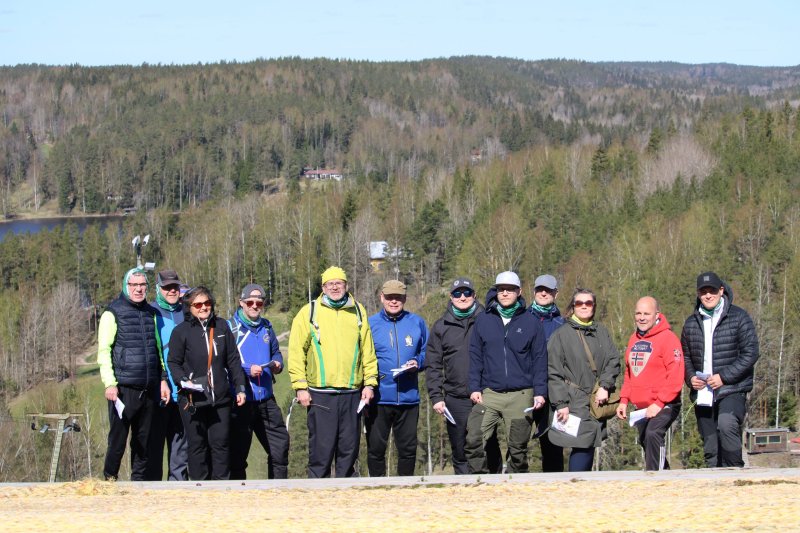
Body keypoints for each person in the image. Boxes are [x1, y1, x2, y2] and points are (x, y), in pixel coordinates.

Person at [288, 266, 379, 478]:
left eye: (339, 283)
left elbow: (367, 349)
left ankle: (346, 501)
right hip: (320, 394)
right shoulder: (309, 312)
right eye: (331, 284)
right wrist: (300, 387)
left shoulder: (358, 311)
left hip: (351, 393)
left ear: (346, 286)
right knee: (321, 451)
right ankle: (317, 501)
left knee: (349, 451)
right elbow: (295, 352)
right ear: (323, 287)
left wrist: (369, 383)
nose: (335, 287)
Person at [468, 271, 548, 474]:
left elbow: (539, 359)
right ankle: (480, 482)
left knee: (518, 449)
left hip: (521, 394)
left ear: (519, 292)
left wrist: (540, 391)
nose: (505, 293)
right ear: (495, 291)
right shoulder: (483, 320)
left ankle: (516, 485)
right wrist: (474, 387)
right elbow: (476, 355)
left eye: (510, 289)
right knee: (474, 438)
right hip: (489, 393)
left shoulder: (530, 322)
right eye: (501, 289)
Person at [98, 268, 170, 481]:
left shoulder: (152, 313)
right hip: (123, 390)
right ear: (126, 286)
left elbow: (157, 350)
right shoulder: (112, 312)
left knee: (143, 443)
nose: (139, 289)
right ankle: (109, 482)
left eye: (142, 285)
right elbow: (104, 351)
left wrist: (163, 380)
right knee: (118, 442)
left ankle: (138, 487)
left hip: (149, 389)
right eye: (134, 285)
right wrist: (109, 383)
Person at [168, 286, 247, 480]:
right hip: (193, 399)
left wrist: (240, 387)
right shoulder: (181, 332)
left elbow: (233, 360)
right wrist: (183, 380)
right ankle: (199, 487)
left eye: (207, 303)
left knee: (221, 444)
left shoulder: (221, 327)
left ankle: (221, 487)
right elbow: (173, 362)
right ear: (189, 307)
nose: (204, 308)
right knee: (197, 445)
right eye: (198, 304)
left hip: (220, 397)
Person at [681, 272, 759, 468]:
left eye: (712, 291)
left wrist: (724, 377)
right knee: (711, 447)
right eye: (703, 291)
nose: (708, 295)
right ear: (698, 294)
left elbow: (751, 353)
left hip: (732, 388)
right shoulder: (691, 323)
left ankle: (735, 474)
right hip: (703, 394)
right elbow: (686, 357)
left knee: (726, 425)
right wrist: (691, 378)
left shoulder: (739, 317)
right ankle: (713, 487)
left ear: (721, 290)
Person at [427, 277, 502, 475]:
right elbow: (433, 364)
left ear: (474, 296)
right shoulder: (441, 326)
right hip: (455, 398)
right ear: (451, 297)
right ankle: (464, 490)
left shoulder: (489, 320)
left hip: (486, 395)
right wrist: (436, 397)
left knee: (488, 445)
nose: (462, 297)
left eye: (467, 293)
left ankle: (493, 487)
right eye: (457, 293)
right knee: (459, 449)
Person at [548, 288, 620, 472]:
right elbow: (553, 372)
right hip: (573, 399)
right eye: (579, 303)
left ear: (594, 306)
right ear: (573, 306)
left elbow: (613, 359)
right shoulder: (561, 335)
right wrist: (561, 403)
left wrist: (605, 385)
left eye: (588, 303)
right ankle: (574, 487)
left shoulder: (601, 331)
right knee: (582, 444)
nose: (584, 306)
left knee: (588, 444)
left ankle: (580, 487)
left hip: (597, 399)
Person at [366, 280, 428, 477]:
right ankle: (377, 489)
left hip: (409, 398)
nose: (394, 302)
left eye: (398, 298)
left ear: (405, 299)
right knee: (376, 450)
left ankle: (406, 489)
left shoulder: (417, 322)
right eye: (390, 297)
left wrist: (418, 362)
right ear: (382, 298)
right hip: (379, 398)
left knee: (408, 450)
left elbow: (428, 351)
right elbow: (361, 357)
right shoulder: (370, 324)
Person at [229, 283, 290, 480]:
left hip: (266, 399)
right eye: (250, 302)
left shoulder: (267, 326)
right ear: (241, 303)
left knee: (280, 448)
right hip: (241, 400)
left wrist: (277, 364)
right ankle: (239, 498)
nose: (255, 306)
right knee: (237, 456)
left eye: (259, 303)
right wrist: (247, 369)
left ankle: (278, 491)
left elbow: (276, 352)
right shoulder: (230, 328)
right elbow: (225, 362)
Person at [616, 296, 684, 470]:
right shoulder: (634, 339)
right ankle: (664, 475)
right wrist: (624, 400)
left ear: (657, 315)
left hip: (665, 404)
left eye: (647, 313)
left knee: (653, 434)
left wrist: (660, 403)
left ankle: (656, 479)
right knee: (645, 440)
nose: (642, 317)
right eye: (638, 313)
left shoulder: (668, 339)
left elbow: (676, 376)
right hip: (642, 407)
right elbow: (629, 372)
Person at [147, 269, 189, 481]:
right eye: (167, 288)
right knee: (154, 444)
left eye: (175, 287)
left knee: (180, 445)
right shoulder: (150, 311)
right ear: (158, 289)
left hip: (183, 388)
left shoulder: (186, 311)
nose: (172, 291)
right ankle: (152, 490)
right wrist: (161, 378)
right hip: (159, 389)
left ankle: (178, 486)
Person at [527, 273, 566, 472]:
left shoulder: (563, 325)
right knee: (518, 442)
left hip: (552, 392)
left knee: (552, 445)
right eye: (540, 289)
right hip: (525, 389)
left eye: (548, 290)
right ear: (533, 292)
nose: (544, 293)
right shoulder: (521, 319)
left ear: (555, 294)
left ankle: (555, 486)